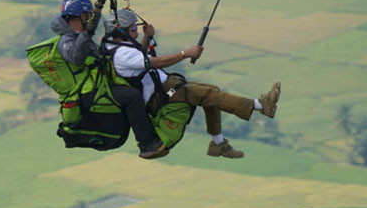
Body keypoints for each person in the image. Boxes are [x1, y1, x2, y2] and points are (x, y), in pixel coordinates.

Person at [102, 9, 280, 159]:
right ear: (121, 32)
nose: (137, 32)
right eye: (133, 29)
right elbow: (157, 62)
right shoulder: (123, 53)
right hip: (160, 95)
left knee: (211, 92)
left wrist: (147, 38)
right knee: (208, 95)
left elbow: (139, 57)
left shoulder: (115, 47)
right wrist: (186, 53)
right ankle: (260, 105)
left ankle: (218, 144)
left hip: (163, 87)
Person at [51, 0, 169, 160]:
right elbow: (77, 57)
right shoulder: (66, 41)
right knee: (132, 96)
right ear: (81, 15)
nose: (90, 19)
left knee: (135, 84)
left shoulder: (78, 35)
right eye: (87, 15)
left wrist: (100, 1)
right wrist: (87, 33)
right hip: (88, 93)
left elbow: (90, 29)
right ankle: (147, 144)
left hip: (99, 85)